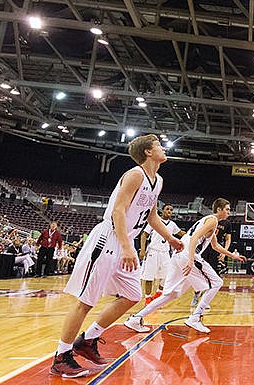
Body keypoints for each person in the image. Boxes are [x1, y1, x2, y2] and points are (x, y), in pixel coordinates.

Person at [51, 135, 183, 378]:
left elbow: (152, 217)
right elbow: (118, 210)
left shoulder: (158, 180)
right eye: (158, 145)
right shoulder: (134, 175)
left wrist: (171, 238)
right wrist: (126, 246)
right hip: (109, 239)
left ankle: (87, 340)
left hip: (125, 240)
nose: (163, 148)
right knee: (86, 302)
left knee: (133, 295)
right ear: (147, 152)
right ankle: (61, 357)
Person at [124, 198, 246, 334]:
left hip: (178, 256)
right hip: (188, 255)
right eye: (227, 209)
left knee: (171, 294)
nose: (229, 212)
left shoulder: (209, 221)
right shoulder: (213, 220)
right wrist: (191, 260)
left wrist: (233, 256)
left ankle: (136, 318)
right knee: (217, 282)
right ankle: (195, 317)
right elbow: (194, 239)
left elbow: (215, 246)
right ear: (219, 209)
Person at [139, 204, 184, 304]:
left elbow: (181, 233)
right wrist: (142, 250)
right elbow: (144, 235)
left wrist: (195, 234)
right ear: (162, 210)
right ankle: (147, 298)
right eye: (167, 209)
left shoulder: (172, 224)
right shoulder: (155, 221)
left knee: (167, 276)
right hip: (153, 251)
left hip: (165, 253)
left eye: (171, 210)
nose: (169, 211)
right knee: (149, 277)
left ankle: (158, 293)